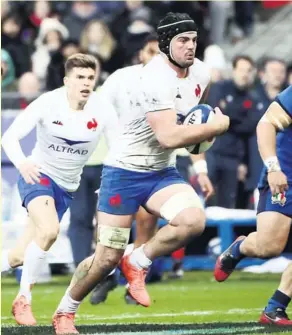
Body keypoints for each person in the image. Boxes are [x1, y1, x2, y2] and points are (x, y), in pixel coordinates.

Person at [52, 12, 229, 334]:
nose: (191, 47)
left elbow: (191, 122)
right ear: (164, 45)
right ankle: (65, 311)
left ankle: (138, 261)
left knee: (193, 221)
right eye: (182, 41)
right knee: (105, 258)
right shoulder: (150, 78)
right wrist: (217, 125)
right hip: (124, 172)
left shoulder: (201, 72)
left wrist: (202, 148)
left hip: (162, 172)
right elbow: (169, 136)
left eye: (193, 40)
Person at [89, 33, 215, 305]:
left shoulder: (173, 82)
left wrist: (200, 169)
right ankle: (106, 273)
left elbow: (187, 128)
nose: (153, 57)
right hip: (121, 165)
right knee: (109, 236)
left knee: (147, 228)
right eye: (148, 52)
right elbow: (99, 116)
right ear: (141, 55)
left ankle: (133, 283)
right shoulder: (120, 80)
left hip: (156, 167)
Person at [1, 53, 118, 326]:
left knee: (19, 255)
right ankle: (23, 300)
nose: (86, 83)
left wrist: (112, 183)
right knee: (50, 231)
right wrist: (22, 164)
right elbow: (9, 137)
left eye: (90, 78)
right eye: (79, 77)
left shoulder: (103, 109)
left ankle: (20, 289)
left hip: (66, 187)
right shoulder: (48, 102)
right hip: (38, 176)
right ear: (67, 81)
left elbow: (118, 150)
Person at [214, 85, 292, 326]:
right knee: (269, 246)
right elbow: (266, 124)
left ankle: (275, 308)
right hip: (285, 175)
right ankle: (241, 247)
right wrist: (273, 167)